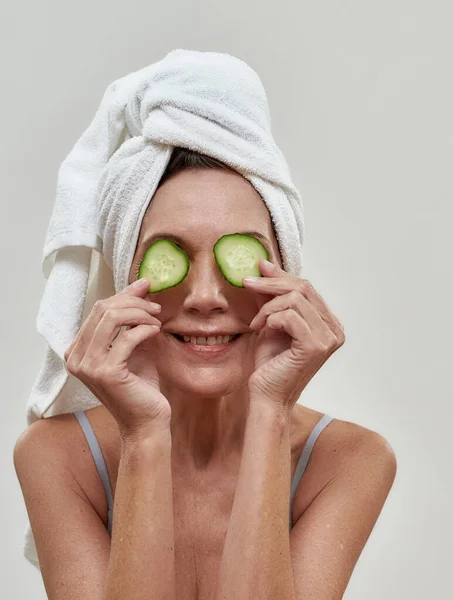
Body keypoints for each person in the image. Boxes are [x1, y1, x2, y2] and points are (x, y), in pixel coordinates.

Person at [14, 54, 396, 600]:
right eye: (169, 258)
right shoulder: (56, 457)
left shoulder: (350, 461)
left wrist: (270, 411)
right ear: (126, 278)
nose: (205, 297)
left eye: (236, 259)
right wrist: (143, 435)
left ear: (284, 273)